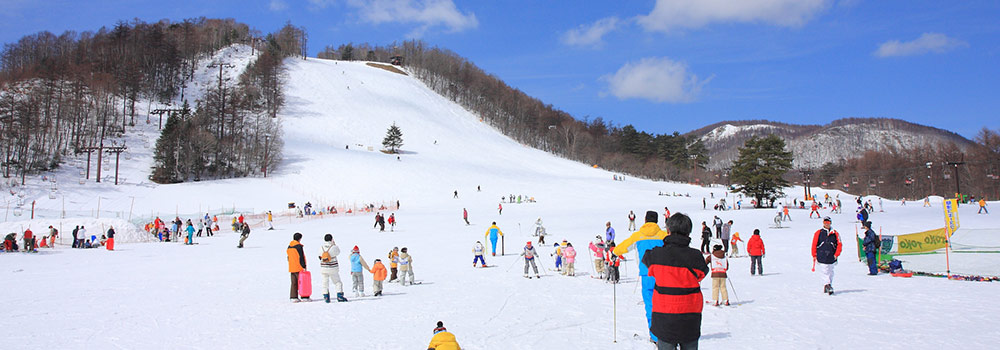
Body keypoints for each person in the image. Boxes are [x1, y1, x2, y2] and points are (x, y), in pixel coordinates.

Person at [642, 213, 709, 348]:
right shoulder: (696, 256)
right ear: (688, 232)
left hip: (664, 315)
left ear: (668, 231)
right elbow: (701, 274)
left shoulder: (657, 255)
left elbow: (646, 259)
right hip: (690, 316)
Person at [613, 211, 668, 343]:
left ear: (645, 220)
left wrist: (615, 252)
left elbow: (622, 247)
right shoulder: (663, 235)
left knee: (650, 305)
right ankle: (667, 334)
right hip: (663, 275)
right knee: (665, 305)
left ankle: (654, 335)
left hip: (646, 274)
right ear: (656, 221)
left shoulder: (638, 236)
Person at [812, 217, 842, 295]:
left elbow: (839, 244)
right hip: (821, 255)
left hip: (831, 255)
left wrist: (837, 254)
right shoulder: (818, 233)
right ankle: (828, 285)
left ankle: (827, 285)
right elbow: (814, 244)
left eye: (828, 222)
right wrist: (814, 254)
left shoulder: (835, 233)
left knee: (830, 271)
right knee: (825, 270)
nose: (826, 224)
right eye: (825, 222)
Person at [318, 234, 346, 303]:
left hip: (324, 267)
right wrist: (334, 244)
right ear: (331, 239)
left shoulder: (321, 247)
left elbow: (319, 256)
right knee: (337, 282)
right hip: (332, 267)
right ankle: (339, 295)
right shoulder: (333, 247)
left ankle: (326, 296)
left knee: (325, 282)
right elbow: (338, 252)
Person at [286, 232, 307, 302]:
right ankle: (304, 296)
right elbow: (301, 257)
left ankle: (293, 296)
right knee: (302, 282)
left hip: (292, 267)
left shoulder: (289, 246)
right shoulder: (298, 246)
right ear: (299, 238)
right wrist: (304, 266)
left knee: (293, 283)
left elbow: (288, 257)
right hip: (299, 267)